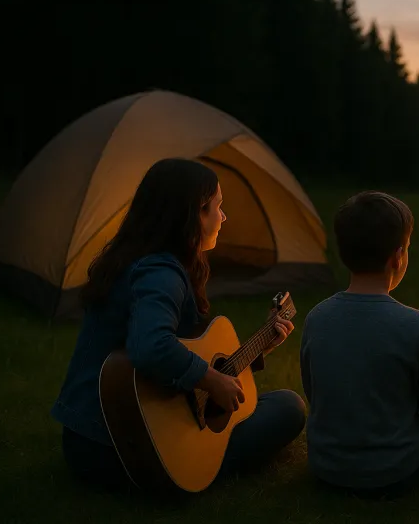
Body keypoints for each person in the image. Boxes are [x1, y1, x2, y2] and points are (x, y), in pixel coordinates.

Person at [50, 158, 306, 491]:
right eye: (218, 207)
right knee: (288, 407)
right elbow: (151, 346)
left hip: (84, 437)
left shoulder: (133, 260)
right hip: (122, 449)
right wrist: (212, 378)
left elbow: (180, 350)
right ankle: (195, 467)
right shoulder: (160, 274)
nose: (224, 217)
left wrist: (261, 347)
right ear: (195, 214)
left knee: (269, 404)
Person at [300, 191, 419, 496]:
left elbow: (314, 394)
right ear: (397, 257)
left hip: (327, 466)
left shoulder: (317, 317)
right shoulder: (417, 325)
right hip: (394, 471)